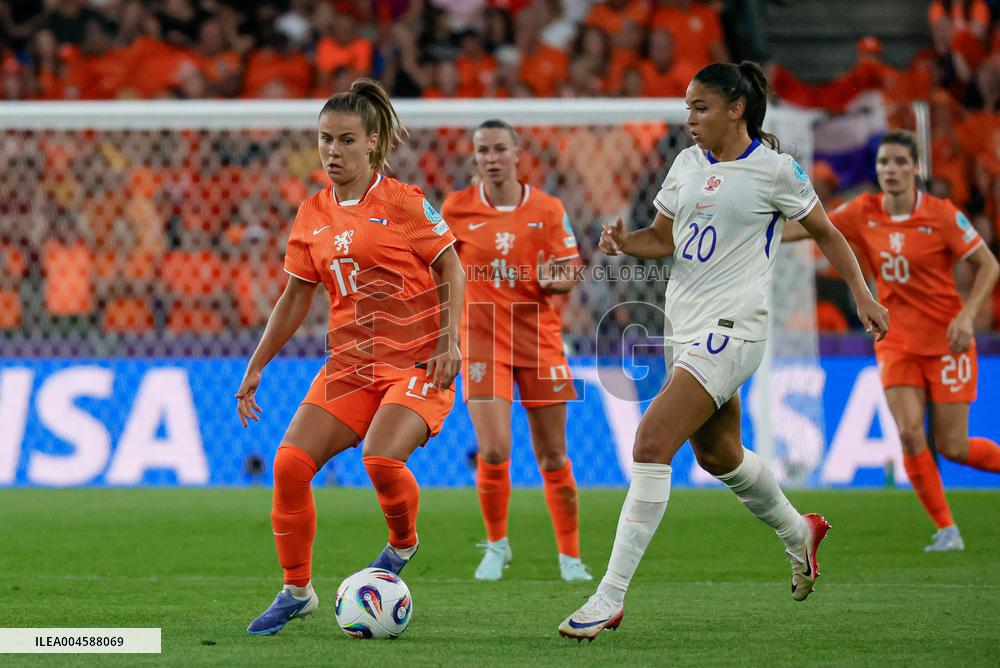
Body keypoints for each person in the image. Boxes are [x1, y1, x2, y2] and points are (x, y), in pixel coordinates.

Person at [558, 61, 890, 641]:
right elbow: (661, 240)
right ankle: (798, 532)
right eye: (687, 107)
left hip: (735, 329)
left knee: (651, 441)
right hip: (684, 328)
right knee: (717, 455)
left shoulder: (775, 170)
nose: (689, 118)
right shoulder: (687, 164)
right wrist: (623, 243)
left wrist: (862, 295)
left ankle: (609, 596)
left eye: (701, 107)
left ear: (736, 109)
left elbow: (827, 231)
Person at [236, 78, 466, 635]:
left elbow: (452, 268)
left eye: (344, 140)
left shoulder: (405, 203)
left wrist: (448, 341)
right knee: (290, 467)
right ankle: (297, 590)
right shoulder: (312, 213)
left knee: (382, 461)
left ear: (372, 143)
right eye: (324, 140)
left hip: (416, 364)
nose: (332, 152)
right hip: (349, 369)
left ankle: (402, 543)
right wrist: (257, 363)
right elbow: (295, 297)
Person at [784, 130, 1000, 551]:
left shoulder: (941, 214)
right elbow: (814, 228)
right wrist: (760, 232)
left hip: (947, 342)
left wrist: (967, 315)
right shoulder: (864, 210)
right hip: (896, 339)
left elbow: (988, 265)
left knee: (954, 447)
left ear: (916, 169)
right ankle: (947, 530)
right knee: (909, 433)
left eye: (901, 162)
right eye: (884, 163)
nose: (892, 170)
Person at [441, 119, 592, 583]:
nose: (491, 157)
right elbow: (441, 269)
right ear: (474, 158)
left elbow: (570, 270)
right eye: (483, 150)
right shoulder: (457, 209)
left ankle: (570, 557)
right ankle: (497, 546)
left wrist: (555, 281)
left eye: (499, 149)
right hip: (482, 337)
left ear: (517, 153)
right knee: (494, 449)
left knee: (552, 456)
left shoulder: (547, 209)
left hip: (538, 338)